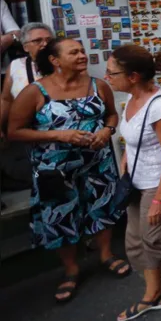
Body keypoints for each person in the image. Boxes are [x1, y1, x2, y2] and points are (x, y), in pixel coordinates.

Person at [6, 38, 128, 302]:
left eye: (82, 50)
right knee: (60, 216)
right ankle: (71, 269)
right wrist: (60, 135)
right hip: (55, 168)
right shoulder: (35, 92)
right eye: (74, 52)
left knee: (103, 206)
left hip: (97, 160)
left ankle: (106, 254)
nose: (82, 55)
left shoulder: (98, 85)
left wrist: (106, 132)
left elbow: (111, 115)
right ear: (55, 60)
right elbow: (15, 132)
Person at [105, 45, 161, 321]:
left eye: (112, 72)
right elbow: (135, 138)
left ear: (134, 75)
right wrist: (126, 157)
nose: (107, 76)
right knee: (136, 242)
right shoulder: (129, 100)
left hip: (156, 182)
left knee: (156, 240)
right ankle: (154, 295)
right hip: (135, 182)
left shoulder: (159, 105)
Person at [1, 22, 51, 138]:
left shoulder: (65, 63)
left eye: (49, 40)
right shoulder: (16, 65)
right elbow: (6, 100)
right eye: (37, 41)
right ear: (25, 47)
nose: (45, 44)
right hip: (28, 133)